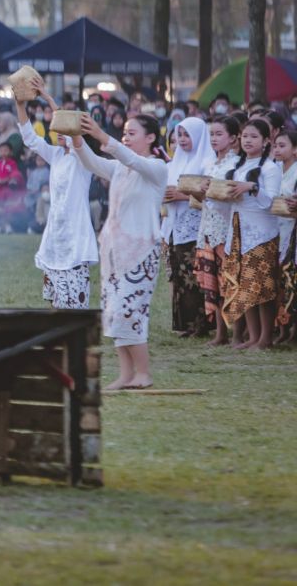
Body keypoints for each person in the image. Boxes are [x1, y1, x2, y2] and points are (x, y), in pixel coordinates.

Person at [75, 113, 167, 390]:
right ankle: (127, 375)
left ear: (151, 138)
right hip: (114, 250)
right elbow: (91, 162)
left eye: (132, 133)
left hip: (141, 251)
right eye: (124, 132)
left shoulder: (157, 167)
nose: (126, 137)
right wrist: (77, 138)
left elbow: (132, 160)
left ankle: (144, 373)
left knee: (131, 312)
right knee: (114, 313)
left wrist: (103, 136)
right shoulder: (119, 168)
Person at [17, 85, 96, 310]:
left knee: (75, 308)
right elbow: (30, 138)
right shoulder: (57, 154)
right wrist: (20, 104)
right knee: (55, 304)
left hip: (76, 236)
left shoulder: (84, 158)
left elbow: (76, 141)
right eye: (57, 127)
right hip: (55, 235)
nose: (59, 131)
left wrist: (48, 98)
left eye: (64, 127)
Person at [220, 117, 281, 350]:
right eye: (245, 136)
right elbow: (226, 203)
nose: (248, 140)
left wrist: (253, 187)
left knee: (263, 289)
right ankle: (253, 338)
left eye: (254, 136)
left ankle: (265, 339)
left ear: (266, 141)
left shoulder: (270, 168)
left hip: (262, 234)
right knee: (246, 286)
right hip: (238, 232)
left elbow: (271, 201)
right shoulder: (236, 166)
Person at [160, 118, 214, 337]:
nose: (182, 140)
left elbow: (210, 196)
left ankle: (201, 325)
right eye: (179, 135)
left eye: (186, 135)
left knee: (195, 277)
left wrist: (180, 195)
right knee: (180, 277)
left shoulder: (207, 161)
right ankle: (186, 325)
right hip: (175, 226)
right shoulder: (175, 163)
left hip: (196, 227)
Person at [194, 116, 243, 347]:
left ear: (233, 138)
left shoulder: (237, 165)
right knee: (213, 281)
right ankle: (220, 333)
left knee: (229, 280)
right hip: (208, 225)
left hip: (226, 228)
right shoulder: (209, 164)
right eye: (212, 134)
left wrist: (210, 190)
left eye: (219, 134)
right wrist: (198, 191)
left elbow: (231, 197)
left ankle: (238, 334)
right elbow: (202, 199)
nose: (214, 138)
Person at [272, 129, 297, 345]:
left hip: (293, 232)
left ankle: (292, 331)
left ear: (295, 149)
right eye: (275, 146)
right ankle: (282, 330)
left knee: (292, 282)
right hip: (278, 230)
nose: (277, 150)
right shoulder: (275, 170)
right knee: (282, 282)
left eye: (283, 146)